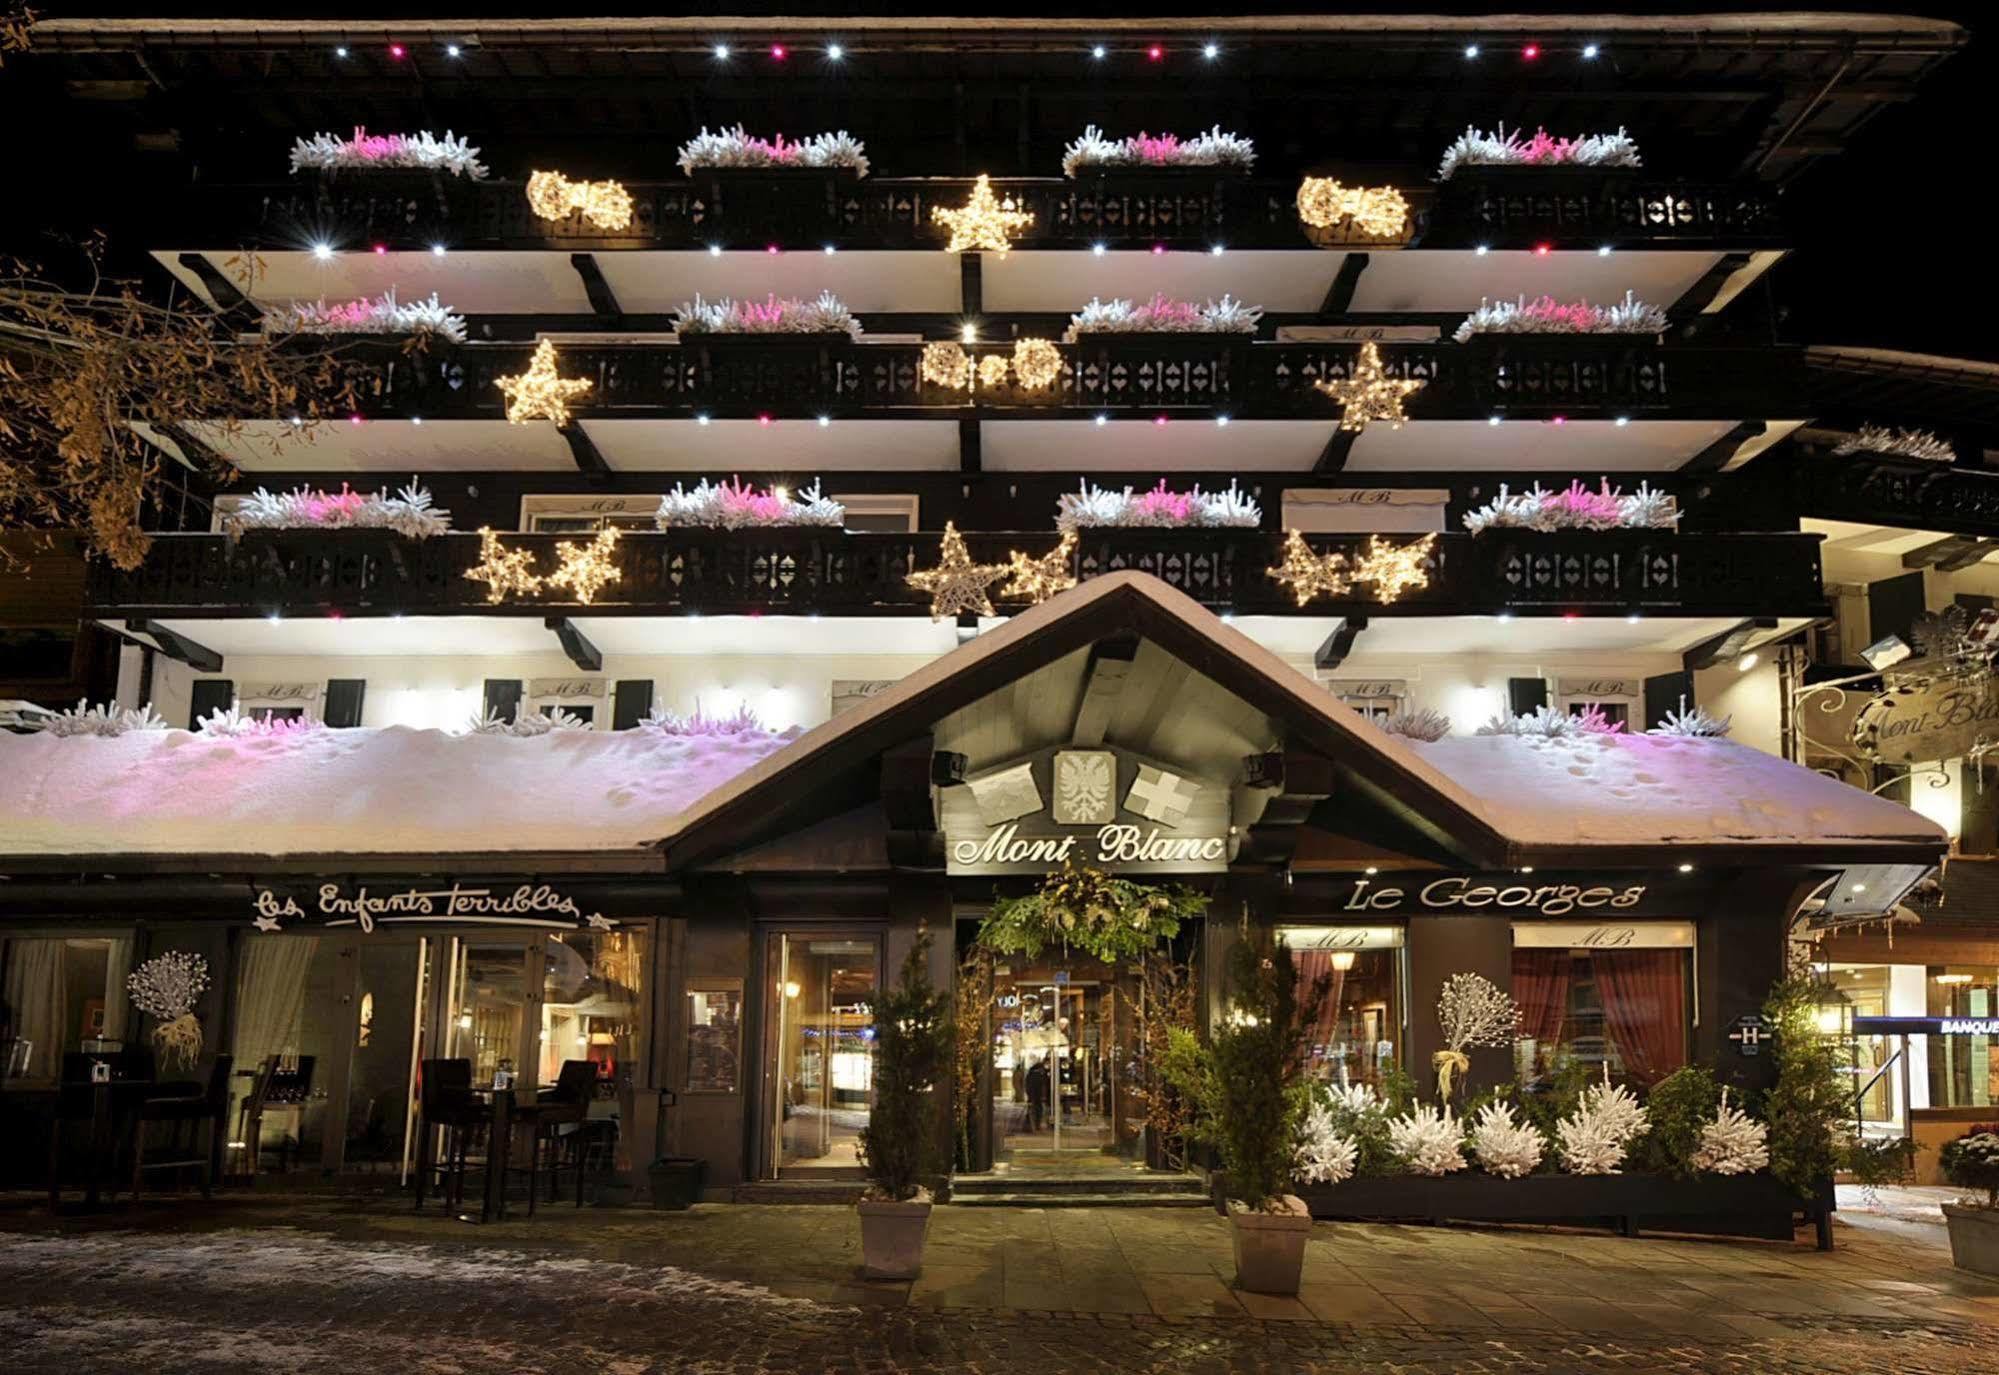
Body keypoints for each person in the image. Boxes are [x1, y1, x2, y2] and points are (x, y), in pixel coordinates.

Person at [1024, 1054, 1051, 1133]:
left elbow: (1028, 1086)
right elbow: (1043, 1086)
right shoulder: (1040, 1075)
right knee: (1038, 1110)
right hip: (1037, 1096)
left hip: (1033, 1096)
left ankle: (1033, 1126)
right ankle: (1036, 1125)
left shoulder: (1031, 1074)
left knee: (1033, 1110)